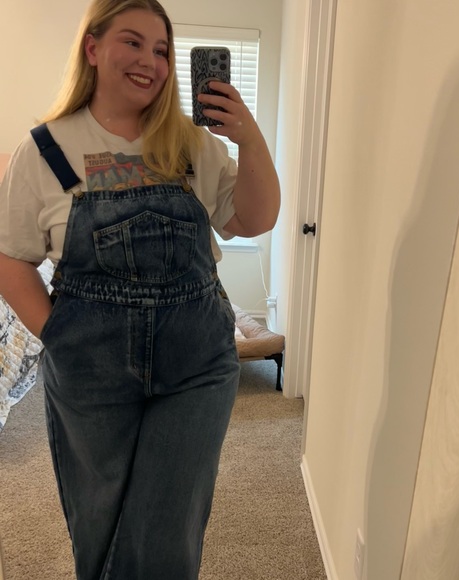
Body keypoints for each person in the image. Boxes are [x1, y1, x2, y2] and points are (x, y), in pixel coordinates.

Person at [0, 0, 280, 578]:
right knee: (97, 518)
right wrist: (59, 333)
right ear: (93, 48)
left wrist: (249, 138)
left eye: (162, 50)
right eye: (132, 42)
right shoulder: (44, 150)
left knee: (167, 524)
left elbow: (255, 218)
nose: (150, 61)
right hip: (91, 365)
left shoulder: (193, 145)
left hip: (196, 362)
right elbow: (11, 257)